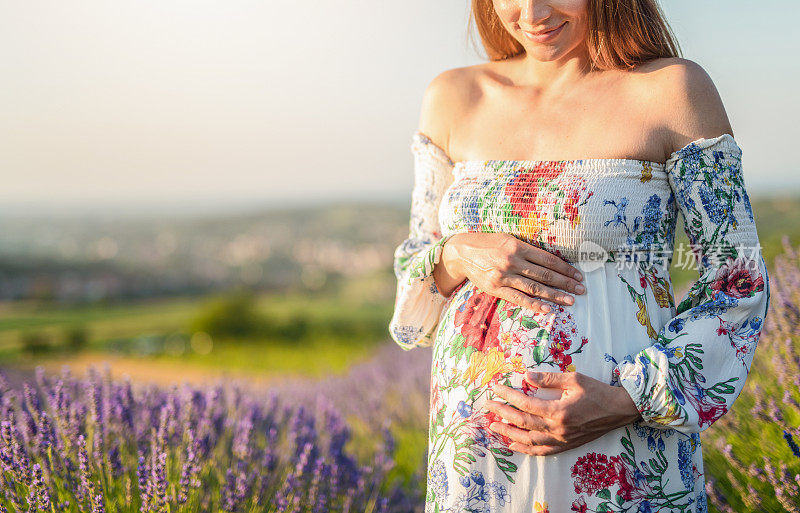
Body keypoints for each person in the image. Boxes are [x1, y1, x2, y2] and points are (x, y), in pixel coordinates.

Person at [388, 0, 772, 511]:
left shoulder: (671, 89)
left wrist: (627, 400)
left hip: (621, 433)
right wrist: (455, 253)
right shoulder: (453, 96)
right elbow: (418, 262)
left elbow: (737, 279)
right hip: (476, 448)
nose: (531, 12)